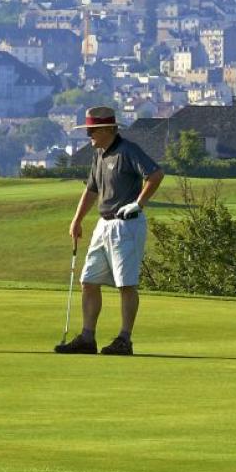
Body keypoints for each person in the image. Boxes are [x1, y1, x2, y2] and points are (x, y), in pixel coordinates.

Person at [55, 107, 164, 356]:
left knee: (126, 284)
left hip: (126, 224)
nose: (89, 136)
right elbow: (91, 190)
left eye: (92, 130)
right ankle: (87, 337)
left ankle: (124, 339)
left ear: (106, 129)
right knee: (89, 281)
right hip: (103, 225)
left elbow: (155, 174)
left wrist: (139, 203)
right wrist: (77, 219)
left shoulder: (128, 151)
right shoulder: (100, 155)